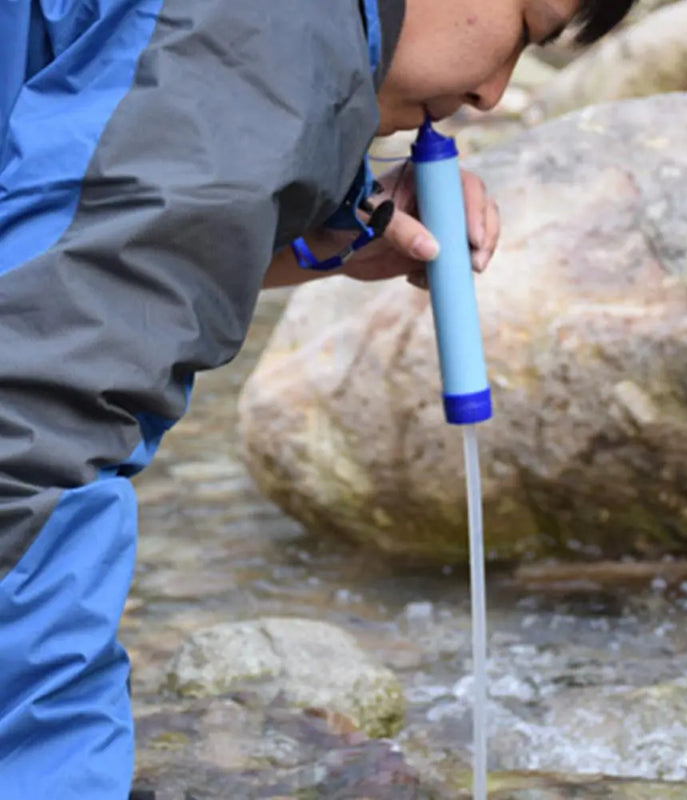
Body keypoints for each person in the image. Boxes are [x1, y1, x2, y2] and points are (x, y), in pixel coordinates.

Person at [0, 0, 638, 797]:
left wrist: (315, 223)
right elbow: (30, 437)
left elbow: (61, 209)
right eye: (527, 27)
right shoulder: (267, 29)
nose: (493, 94)